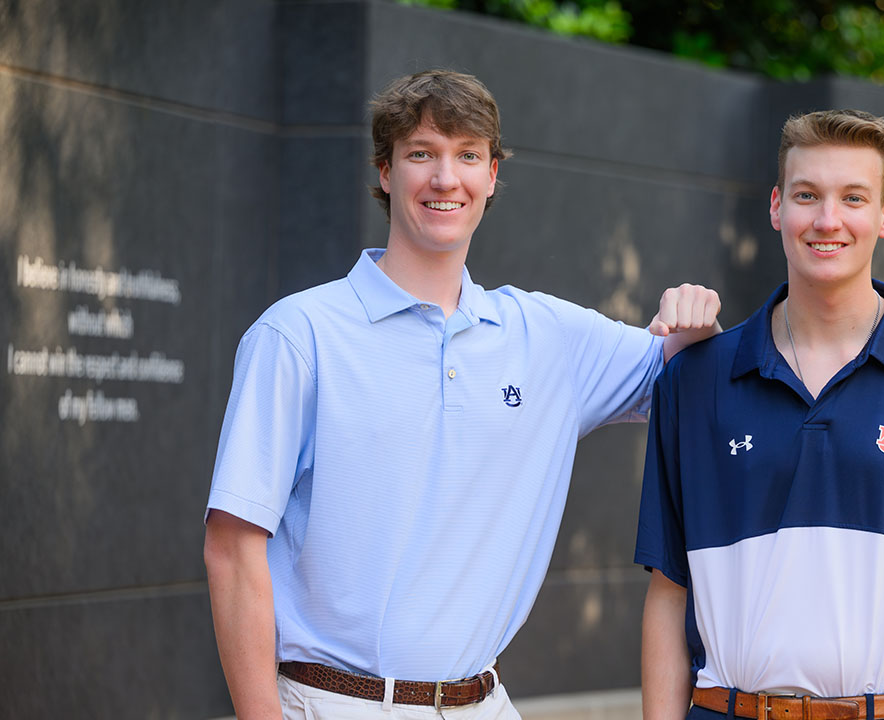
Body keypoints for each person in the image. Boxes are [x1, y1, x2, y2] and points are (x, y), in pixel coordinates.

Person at [203, 69, 721, 720]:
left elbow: (683, 380)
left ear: (492, 175)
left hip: (484, 703)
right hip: (332, 704)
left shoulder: (547, 339)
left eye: (467, 155)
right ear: (385, 171)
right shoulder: (297, 336)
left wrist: (699, 323)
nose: (446, 178)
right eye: (422, 153)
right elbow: (231, 545)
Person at [635, 109, 884, 720]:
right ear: (776, 207)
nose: (827, 220)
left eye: (853, 198)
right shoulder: (695, 380)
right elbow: (667, 589)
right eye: (807, 195)